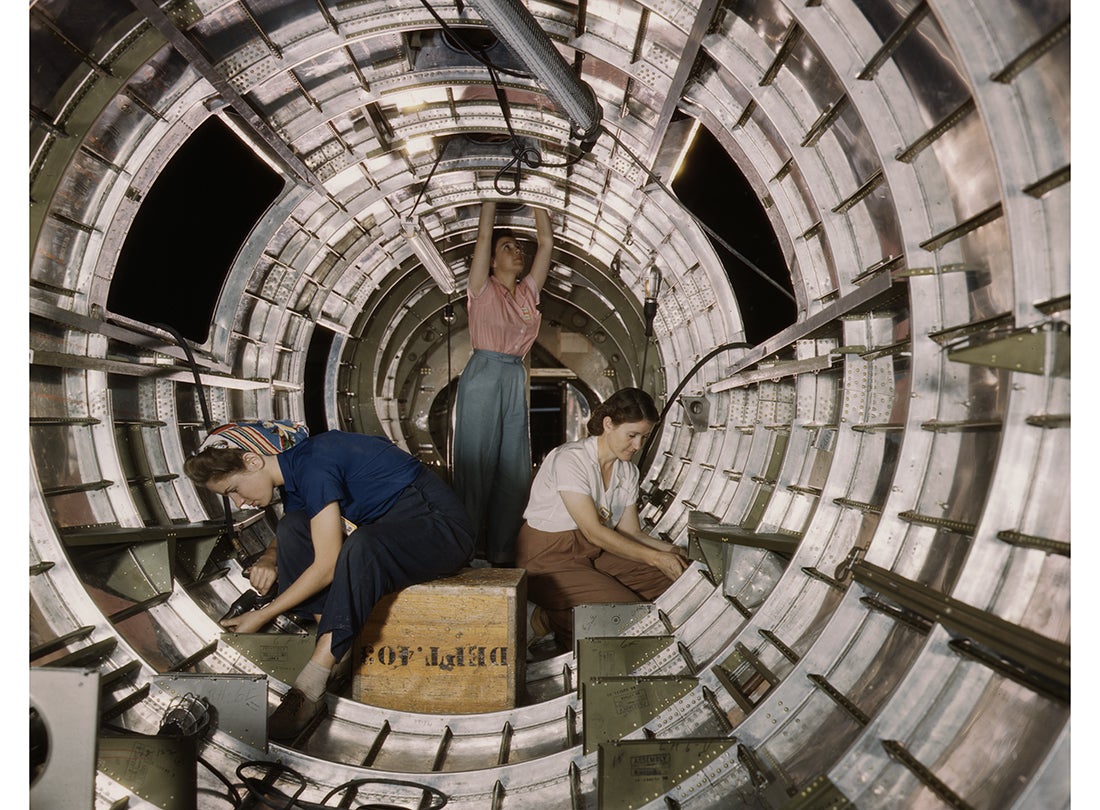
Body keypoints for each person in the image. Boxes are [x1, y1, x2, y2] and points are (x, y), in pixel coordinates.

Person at [183, 421, 474, 740]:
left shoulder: (316, 464)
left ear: (253, 460)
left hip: (441, 532)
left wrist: (263, 614)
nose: (239, 503)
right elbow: (304, 527)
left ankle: (312, 684)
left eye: (234, 490)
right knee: (293, 526)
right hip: (390, 533)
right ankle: (335, 646)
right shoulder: (295, 472)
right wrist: (269, 557)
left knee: (363, 546)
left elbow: (327, 566)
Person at [515, 388, 690, 650]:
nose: (638, 446)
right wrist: (656, 557)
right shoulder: (570, 459)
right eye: (632, 435)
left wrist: (675, 552)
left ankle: (560, 610)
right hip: (547, 557)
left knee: (671, 579)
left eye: (644, 437)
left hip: (592, 553)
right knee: (624, 612)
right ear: (608, 424)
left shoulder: (627, 470)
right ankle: (544, 619)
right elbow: (594, 531)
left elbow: (632, 533)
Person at [452, 200, 554, 567]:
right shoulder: (482, 286)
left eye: (517, 246)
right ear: (493, 262)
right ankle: (462, 550)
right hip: (484, 373)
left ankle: (500, 554)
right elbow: (483, 235)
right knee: (475, 466)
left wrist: (539, 196)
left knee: (514, 468)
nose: (517, 251)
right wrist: (491, 198)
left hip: (513, 375)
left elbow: (545, 242)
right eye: (507, 248)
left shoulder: (527, 294)